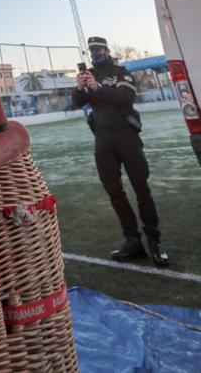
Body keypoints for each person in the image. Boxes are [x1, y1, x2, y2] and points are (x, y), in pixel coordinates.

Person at [73, 36, 169, 267]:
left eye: (99, 49)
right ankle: (132, 240)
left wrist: (99, 87)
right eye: (92, 50)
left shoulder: (120, 72)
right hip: (103, 139)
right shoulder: (90, 74)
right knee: (113, 190)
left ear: (107, 50)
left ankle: (154, 241)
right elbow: (78, 102)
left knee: (141, 188)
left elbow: (126, 97)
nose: (96, 53)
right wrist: (79, 87)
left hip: (127, 135)